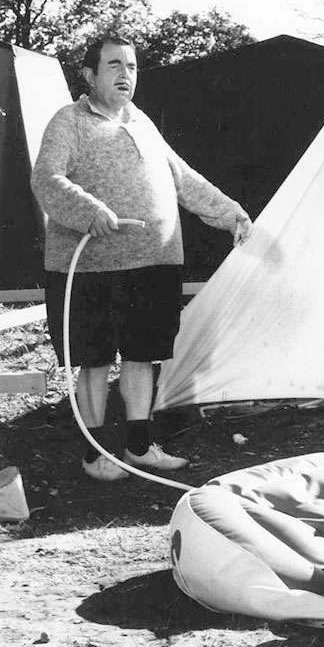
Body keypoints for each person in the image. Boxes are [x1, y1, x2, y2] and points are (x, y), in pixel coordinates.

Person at [31, 34, 253, 482]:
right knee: (93, 361)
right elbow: (46, 179)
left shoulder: (143, 122)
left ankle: (138, 446)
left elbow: (183, 180)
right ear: (90, 75)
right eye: (114, 65)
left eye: (131, 67)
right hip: (88, 268)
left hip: (153, 264)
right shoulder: (69, 120)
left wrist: (231, 214)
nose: (125, 75)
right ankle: (95, 455)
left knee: (141, 356)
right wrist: (89, 210)